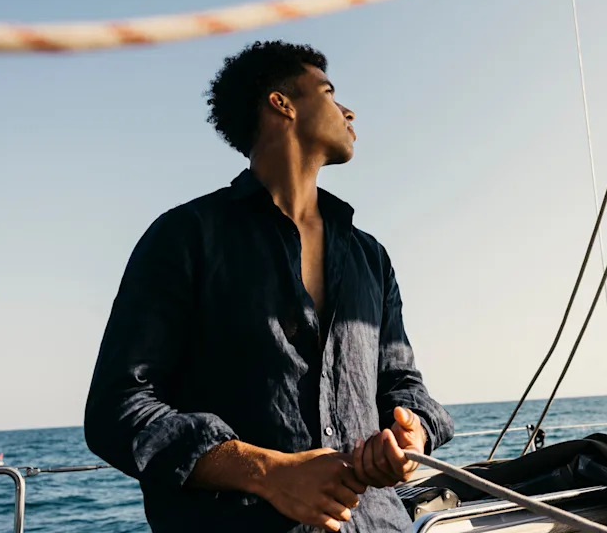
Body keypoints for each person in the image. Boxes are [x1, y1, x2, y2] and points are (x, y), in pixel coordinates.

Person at [84, 41, 454, 532]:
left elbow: (403, 383)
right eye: (328, 92)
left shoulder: (371, 257)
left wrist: (412, 437)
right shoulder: (185, 237)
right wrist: (268, 473)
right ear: (282, 103)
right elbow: (118, 408)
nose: (349, 110)